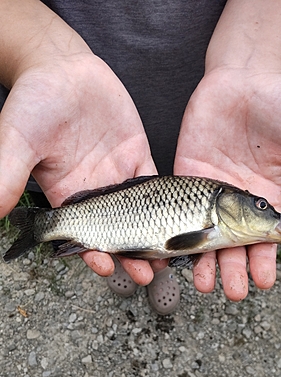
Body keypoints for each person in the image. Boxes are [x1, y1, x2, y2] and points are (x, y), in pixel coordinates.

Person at [0, 0, 280, 314]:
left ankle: (158, 269)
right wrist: (35, 52)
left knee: (161, 250)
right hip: (82, 139)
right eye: (260, 205)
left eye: (262, 206)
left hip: (201, 127)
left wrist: (253, 57)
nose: (267, 211)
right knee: (125, 235)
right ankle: (117, 253)